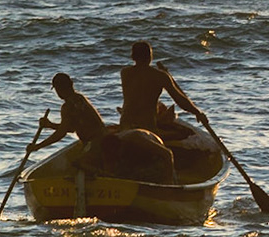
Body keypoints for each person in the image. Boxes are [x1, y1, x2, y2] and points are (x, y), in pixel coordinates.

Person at [33, 71, 175, 184]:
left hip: (96, 141)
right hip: (101, 137)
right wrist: (50, 125)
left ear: (58, 89)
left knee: (78, 163)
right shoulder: (80, 98)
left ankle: (107, 177)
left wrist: (37, 146)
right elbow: (71, 128)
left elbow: (61, 133)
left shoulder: (68, 106)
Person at [120, 41, 210, 141]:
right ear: (150, 57)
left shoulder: (125, 73)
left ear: (133, 57)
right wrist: (197, 113)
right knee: (186, 133)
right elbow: (179, 99)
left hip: (125, 125)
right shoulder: (160, 76)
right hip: (147, 127)